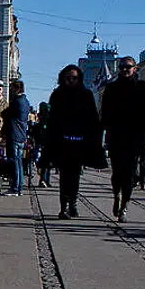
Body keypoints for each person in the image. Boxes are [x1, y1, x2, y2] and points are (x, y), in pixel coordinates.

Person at [99, 56, 145, 222]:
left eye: (128, 67)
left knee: (130, 173)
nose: (124, 70)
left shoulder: (142, 87)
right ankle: (116, 195)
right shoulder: (111, 88)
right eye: (122, 67)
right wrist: (104, 132)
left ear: (134, 69)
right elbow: (104, 112)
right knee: (117, 172)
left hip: (135, 138)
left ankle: (124, 205)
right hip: (116, 136)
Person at [46, 65, 101, 219]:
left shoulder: (86, 95)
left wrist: (92, 139)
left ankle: (73, 203)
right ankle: (63, 207)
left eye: (74, 78)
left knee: (75, 176)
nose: (71, 81)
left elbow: (92, 119)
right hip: (62, 142)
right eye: (68, 78)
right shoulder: (57, 95)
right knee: (64, 176)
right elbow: (52, 119)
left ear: (79, 78)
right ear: (63, 78)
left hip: (79, 142)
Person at [0, 80, 32, 195]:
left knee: (14, 161)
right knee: (19, 162)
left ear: (16, 89)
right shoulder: (26, 101)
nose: (10, 91)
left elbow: (5, 114)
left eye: (12, 88)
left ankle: (15, 187)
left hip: (14, 134)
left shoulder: (16, 102)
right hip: (21, 134)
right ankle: (19, 188)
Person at [33, 102, 53, 188]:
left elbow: (35, 132)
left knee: (43, 163)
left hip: (40, 143)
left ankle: (43, 180)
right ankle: (46, 180)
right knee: (48, 164)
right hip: (48, 143)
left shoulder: (41, 120)